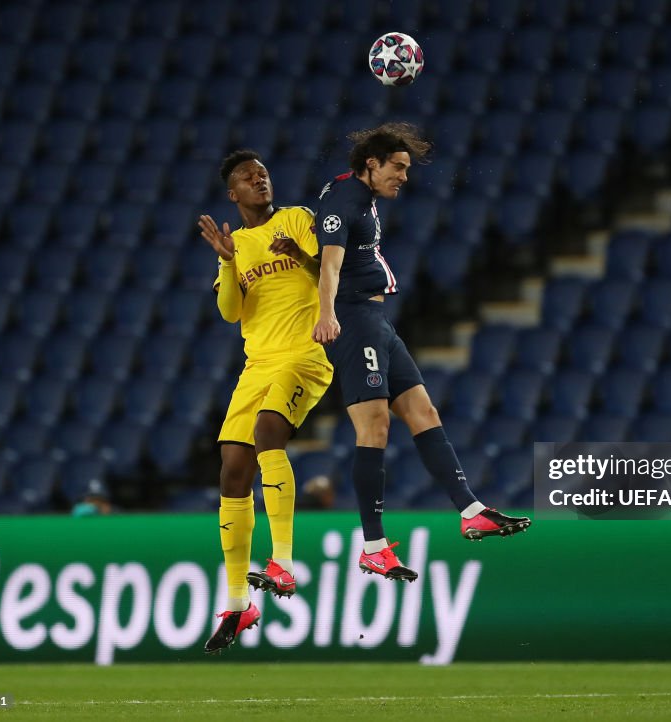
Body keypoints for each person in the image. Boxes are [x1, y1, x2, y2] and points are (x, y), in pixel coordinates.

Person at [312, 123, 531, 582]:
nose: (404, 177)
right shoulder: (344, 201)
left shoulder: (358, 196)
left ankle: (470, 510)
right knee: (374, 425)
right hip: (353, 320)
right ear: (371, 164)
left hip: (377, 322)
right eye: (398, 167)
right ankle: (372, 544)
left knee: (424, 411)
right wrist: (327, 314)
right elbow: (330, 264)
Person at [199, 149, 333, 654]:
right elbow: (231, 312)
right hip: (257, 365)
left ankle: (282, 561)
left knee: (268, 433)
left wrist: (297, 255)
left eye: (264, 173)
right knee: (233, 468)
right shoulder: (234, 245)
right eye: (247, 177)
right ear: (232, 194)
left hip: (305, 353)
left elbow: (332, 267)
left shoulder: (299, 219)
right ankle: (237, 603)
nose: (259, 179)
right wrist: (229, 262)